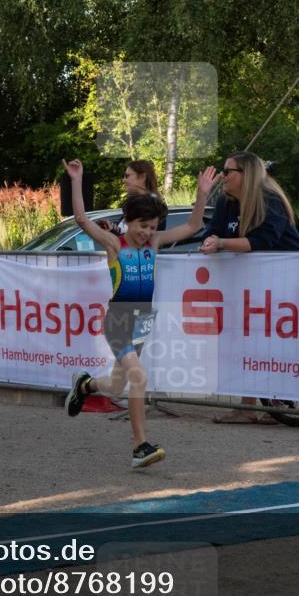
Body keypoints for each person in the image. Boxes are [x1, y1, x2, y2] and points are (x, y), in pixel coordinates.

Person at [62, 158, 215, 469]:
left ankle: (85, 385)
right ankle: (140, 447)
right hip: (118, 319)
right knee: (139, 377)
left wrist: (202, 195)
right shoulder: (114, 243)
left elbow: (192, 226)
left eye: (152, 227)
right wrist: (77, 181)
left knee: (117, 385)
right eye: (142, 226)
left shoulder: (154, 243)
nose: (147, 232)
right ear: (129, 221)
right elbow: (81, 219)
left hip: (143, 320)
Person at [199, 151, 299, 423]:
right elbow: (212, 231)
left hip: (289, 281)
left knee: (275, 341)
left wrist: (221, 243)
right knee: (247, 338)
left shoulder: (270, 201)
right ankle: (249, 405)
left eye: (228, 171)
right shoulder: (226, 202)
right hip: (253, 284)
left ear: (245, 175)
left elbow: (259, 242)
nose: (223, 176)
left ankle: (276, 404)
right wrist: (212, 240)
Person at [95, 160, 161, 235]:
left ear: (142, 177)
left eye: (127, 176)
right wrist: (112, 230)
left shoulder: (153, 208)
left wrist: (112, 234)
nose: (123, 180)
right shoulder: (133, 205)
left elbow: (139, 240)